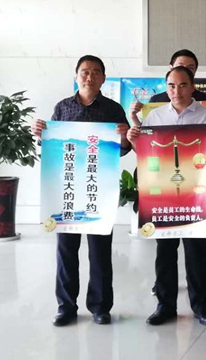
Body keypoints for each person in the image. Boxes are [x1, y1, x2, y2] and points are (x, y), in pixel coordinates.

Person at [32, 55, 131, 327]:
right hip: (68, 189)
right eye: (85, 72)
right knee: (66, 250)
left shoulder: (113, 109)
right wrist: (40, 134)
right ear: (76, 76)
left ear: (103, 78)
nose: (90, 76)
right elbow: (51, 144)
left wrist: (125, 137)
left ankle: (100, 307)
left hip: (99, 189)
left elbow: (124, 149)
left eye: (96, 72)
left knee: (100, 251)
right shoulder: (62, 107)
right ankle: (66, 306)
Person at [127, 66, 206, 326]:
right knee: (165, 253)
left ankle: (202, 308)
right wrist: (134, 138)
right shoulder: (155, 116)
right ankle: (165, 306)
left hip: (195, 196)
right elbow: (146, 153)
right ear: (166, 87)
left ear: (192, 87)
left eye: (182, 85)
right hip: (163, 196)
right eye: (171, 85)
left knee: (197, 253)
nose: (176, 90)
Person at [130, 49, 206, 125]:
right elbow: (148, 133)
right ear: (170, 68)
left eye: (190, 68)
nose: (184, 70)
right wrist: (134, 118)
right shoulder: (156, 101)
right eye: (180, 66)